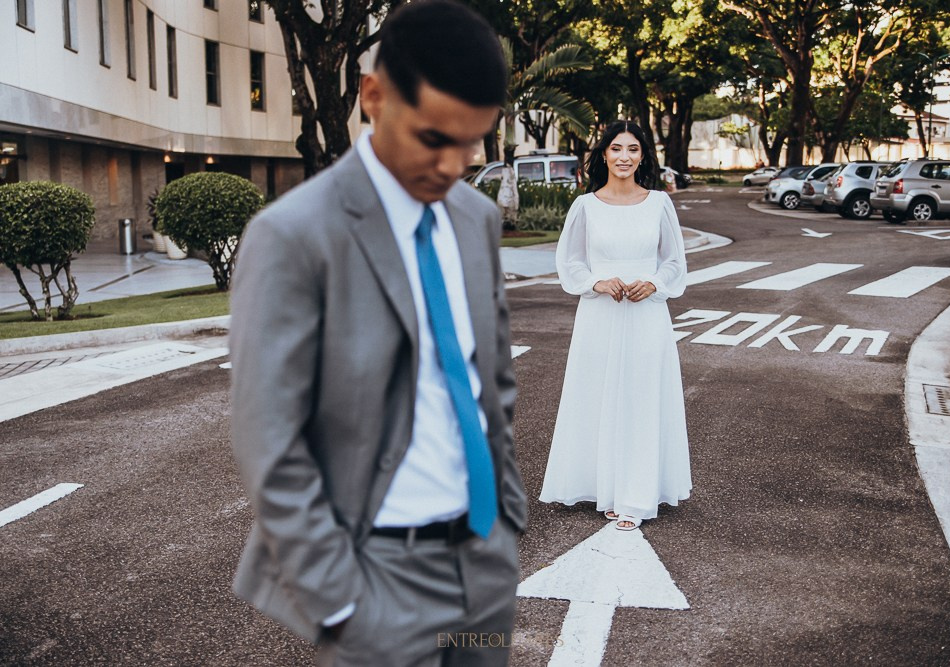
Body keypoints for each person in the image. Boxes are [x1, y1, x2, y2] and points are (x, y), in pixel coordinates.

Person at [228, 2, 527, 665]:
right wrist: (340, 602)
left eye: (471, 142)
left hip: (483, 567)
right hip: (379, 583)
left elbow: (492, 378)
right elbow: (268, 437)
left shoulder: (474, 218)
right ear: (373, 98)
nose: (453, 165)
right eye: (433, 139)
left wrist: (507, 516)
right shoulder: (294, 235)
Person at [538, 120, 691, 531]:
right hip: (599, 315)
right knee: (598, 396)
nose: (624, 157)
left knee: (641, 398)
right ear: (603, 154)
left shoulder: (660, 203)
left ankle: (636, 497)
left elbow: (674, 261)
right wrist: (595, 281)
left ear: (643, 156)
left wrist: (654, 282)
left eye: (634, 149)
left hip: (646, 315)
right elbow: (569, 261)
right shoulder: (585, 206)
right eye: (617, 149)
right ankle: (606, 488)